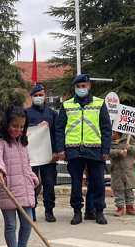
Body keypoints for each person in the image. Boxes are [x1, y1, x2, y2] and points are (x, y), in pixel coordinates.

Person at [0, 106, 40, 247]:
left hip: (24, 188)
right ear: (6, 123)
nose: (17, 130)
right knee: (11, 224)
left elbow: (26, 164)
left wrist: (32, 176)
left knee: (28, 222)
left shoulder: (22, 143)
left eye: (21, 127)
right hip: (7, 188)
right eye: (14, 125)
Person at [55, 74, 112, 225]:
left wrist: (106, 150)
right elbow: (59, 129)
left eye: (84, 86)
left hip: (95, 149)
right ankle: (77, 212)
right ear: (75, 88)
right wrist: (60, 149)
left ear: (89, 86)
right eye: (79, 86)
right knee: (76, 183)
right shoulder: (67, 105)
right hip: (73, 150)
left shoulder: (99, 103)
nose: (82, 89)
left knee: (98, 182)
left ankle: (98, 211)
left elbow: (106, 128)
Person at [25, 84, 59, 222]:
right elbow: (22, 132)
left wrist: (57, 151)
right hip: (31, 155)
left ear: (45, 96)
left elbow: (57, 133)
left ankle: (49, 211)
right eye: (36, 95)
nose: (39, 97)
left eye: (41, 95)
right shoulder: (26, 113)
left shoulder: (52, 113)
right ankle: (31, 210)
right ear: (32, 97)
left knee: (49, 183)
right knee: (31, 183)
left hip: (48, 155)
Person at [110, 132, 135, 217]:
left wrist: (130, 147)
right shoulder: (109, 141)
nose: (112, 134)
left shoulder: (129, 138)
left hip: (128, 169)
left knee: (129, 189)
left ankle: (130, 207)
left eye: (114, 132)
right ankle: (120, 208)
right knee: (118, 190)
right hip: (117, 170)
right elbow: (107, 152)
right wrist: (119, 152)